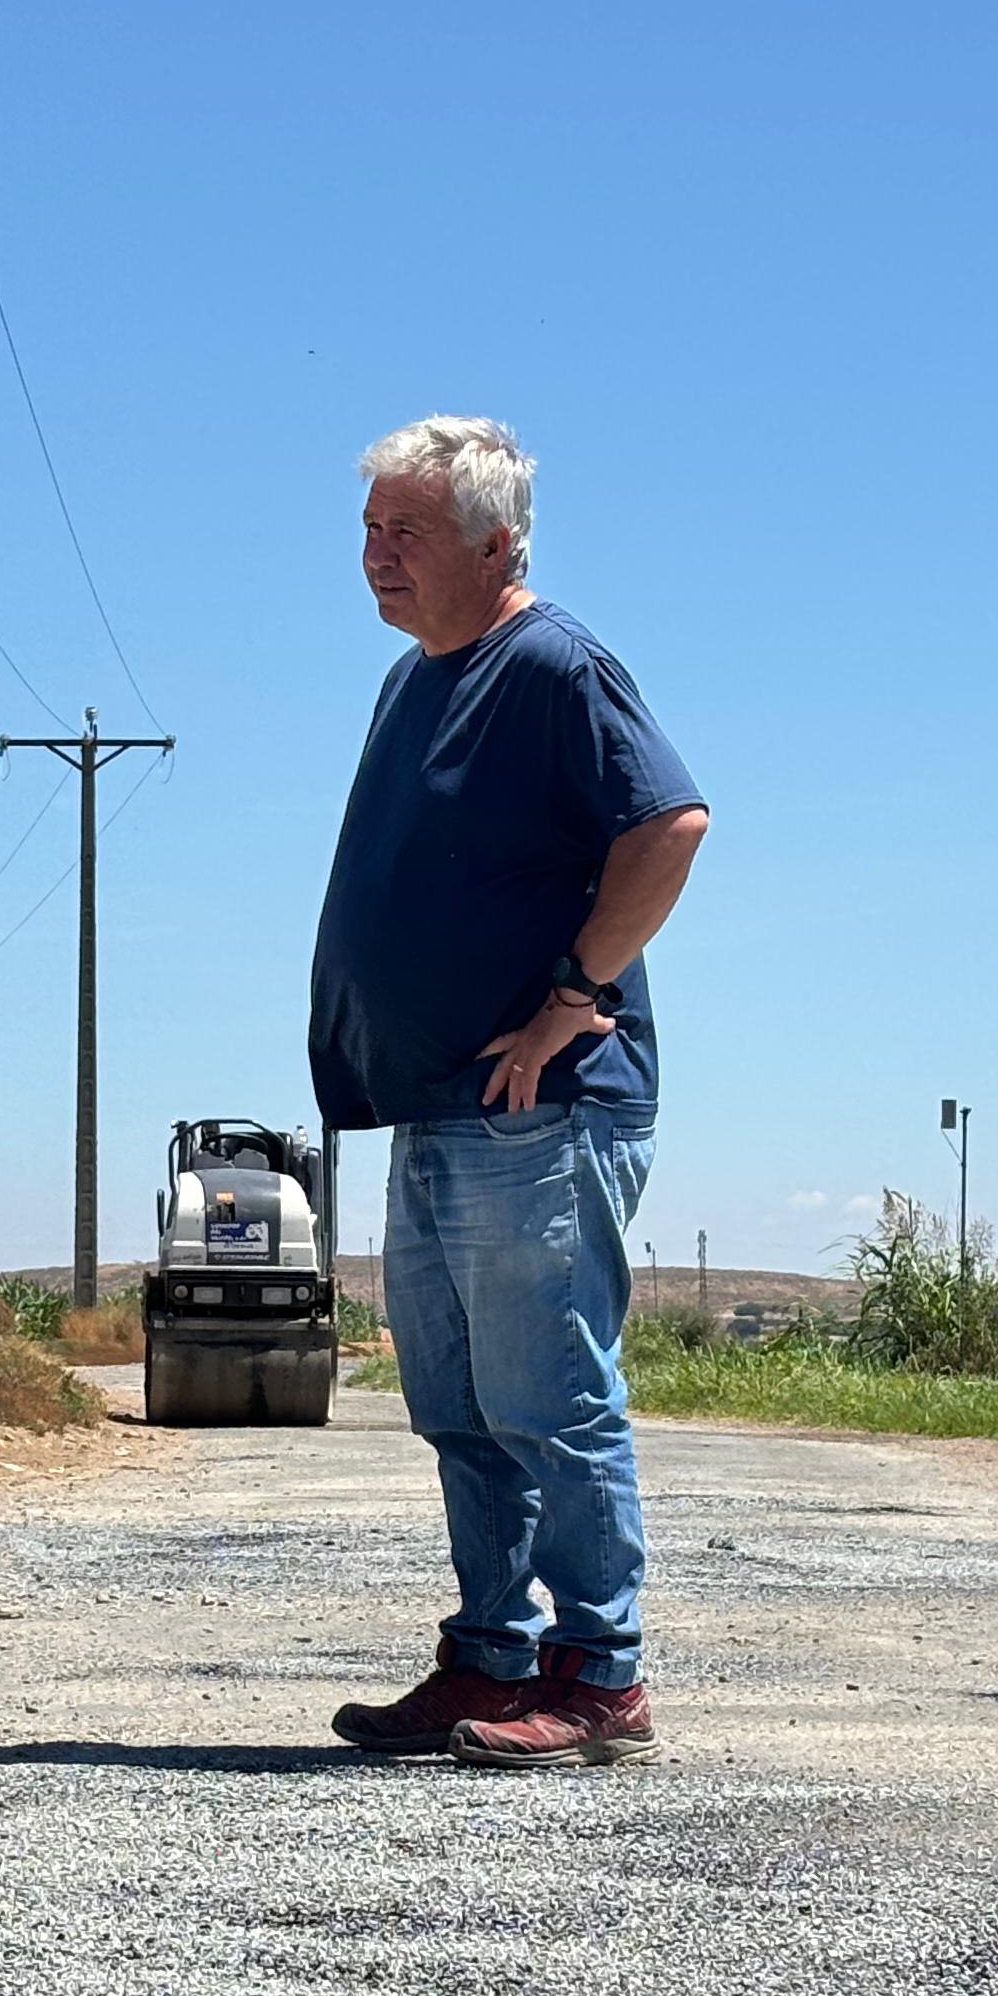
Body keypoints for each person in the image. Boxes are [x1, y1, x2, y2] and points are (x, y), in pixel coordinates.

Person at [307, 417, 708, 1769]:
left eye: (407, 532)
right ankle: (489, 1656)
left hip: (544, 1106)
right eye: (371, 531)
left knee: (547, 1396)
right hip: (438, 1104)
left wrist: (573, 998)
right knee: (463, 1408)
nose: (378, 556)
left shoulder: (552, 665)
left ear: (496, 542)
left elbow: (669, 825)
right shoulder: (412, 678)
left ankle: (601, 1677)